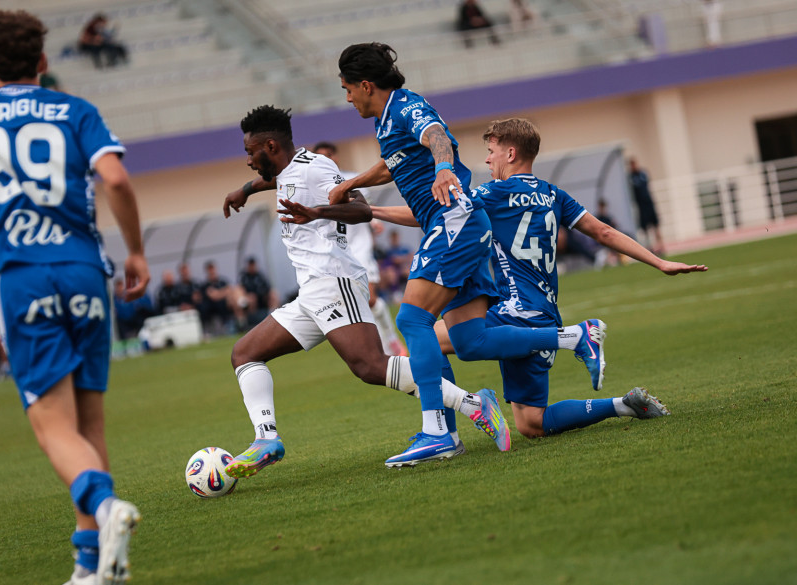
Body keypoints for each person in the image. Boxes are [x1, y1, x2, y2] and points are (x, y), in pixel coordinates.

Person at [0, 10, 148, 585]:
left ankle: (105, 509)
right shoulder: (75, 110)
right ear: (43, 61)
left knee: (52, 425)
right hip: (85, 271)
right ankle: (91, 565)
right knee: (88, 424)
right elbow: (116, 179)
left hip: (19, 276)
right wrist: (136, 252)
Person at [332, 43, 607, 467]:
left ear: (366, 85)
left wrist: (444, 167)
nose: (348, 98)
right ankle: (572, 338)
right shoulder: (387, 121)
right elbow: (391, 164)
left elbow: (437, 137)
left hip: (453, 222)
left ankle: (437, 432)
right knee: (469, 341)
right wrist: (350, 185)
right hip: (457, 224)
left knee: (412, 320)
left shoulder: (406, 106)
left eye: (348, 89)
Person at [222, 105, 513, 476]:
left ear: (271, 146)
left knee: (371, 366)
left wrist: (317, 213)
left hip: (335, 282)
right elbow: (277, 181)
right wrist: (245, 190)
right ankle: (266, 439)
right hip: (311, 292)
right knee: (245, 353)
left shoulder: (316, 167)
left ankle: (474, 404)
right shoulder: (288, 171)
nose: (248, 160)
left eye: (250, 152)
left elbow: (360, 209)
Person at [378, 118, 707, 439]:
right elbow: (603, 232)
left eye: (492, 151)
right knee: (531, 423)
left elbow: (438, 212)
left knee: (427, 338)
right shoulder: (553, 194)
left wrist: (373, 211)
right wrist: (659, 262)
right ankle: (624, 404)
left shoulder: (493, 193)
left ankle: (445, 431)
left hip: (515, 311)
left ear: (510, 154)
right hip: (544, 313)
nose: (487, 159)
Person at [312, 141, 407, 357]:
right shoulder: (314, 187)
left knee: (370, 299)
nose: (326, 160)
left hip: (360, 246)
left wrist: (375, 222)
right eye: (320, 157)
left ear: (335, 157)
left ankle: (391, 341)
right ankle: (383, 350)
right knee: (356, 304)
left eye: (329, 155)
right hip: (335, 252)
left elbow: (367, 208)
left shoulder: (353, 179)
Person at [628, 157, 665, 255]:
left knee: (656, 226)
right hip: (641, 206)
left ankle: (661, 246)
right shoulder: (630, 177)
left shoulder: (643, 174)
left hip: (649, 203)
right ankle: (650, 248)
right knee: (645, 228)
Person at [198, 260, 237, 336]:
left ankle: (237, 324)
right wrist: (223, 292)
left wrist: (219, 293)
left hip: (225, 308)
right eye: (209, 269)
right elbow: (213, 296)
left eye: (212, 269)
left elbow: (230, 290)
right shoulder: (205, 285)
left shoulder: (223, 281)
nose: (211, 271)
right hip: (213, 310)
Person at [237, 257, 278, 327]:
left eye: (253, 265)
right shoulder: (244, 277)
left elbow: (268, 288)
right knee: (252, 298)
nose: (252, 267)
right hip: (249, 301)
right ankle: (250, 322)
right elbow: (241, 290)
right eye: (250, 265)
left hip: (262, 298)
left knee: (274, 294)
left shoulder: (260, 275)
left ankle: (273, 317)